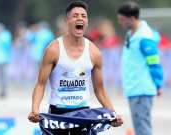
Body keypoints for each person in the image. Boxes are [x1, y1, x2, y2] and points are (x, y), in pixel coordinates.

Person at [28, 1, 123, 134]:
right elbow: (40, 84)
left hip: (83, 114)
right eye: (75, 16)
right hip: (58, 114)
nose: (80, 19)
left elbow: (100, 90)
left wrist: (113, 114)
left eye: (83, 16)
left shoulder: (94, 52)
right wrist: (35, 109)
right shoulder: (53, 50)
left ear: (87, 22)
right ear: (66, 20)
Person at [117, 1, 164, 135]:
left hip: (141, 90)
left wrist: (158, 84)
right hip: (133, 89)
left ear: (132, 18)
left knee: (143, 129)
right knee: (139, 128)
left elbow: (154, 63)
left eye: (122, 20)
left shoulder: (144, 38)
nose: (120, 23)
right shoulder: (131, 34)